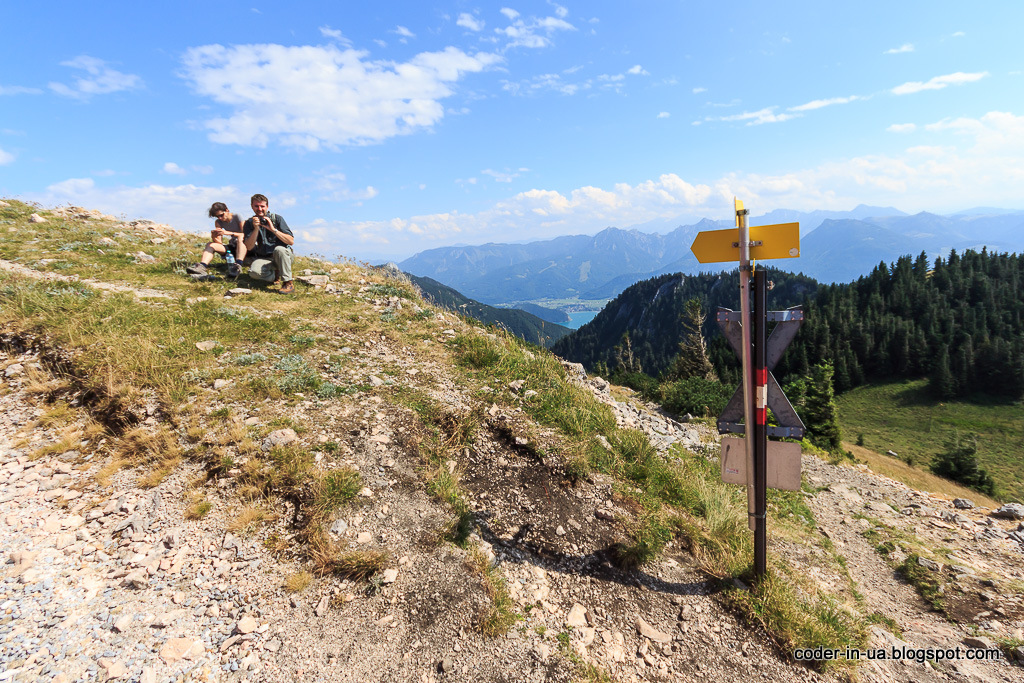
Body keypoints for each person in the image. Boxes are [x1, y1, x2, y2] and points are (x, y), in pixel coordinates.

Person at [242, 193, 295, 294]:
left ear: (267, 206)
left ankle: (288, 283)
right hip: (264, 258)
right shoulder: (249, 223)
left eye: (262, 206)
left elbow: (290, 241)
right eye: (256, 206)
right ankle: (275, 275)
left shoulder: (277, 219)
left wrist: (273, 229)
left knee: (279, 249)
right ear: (252, 207)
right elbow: (249, 247)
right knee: (254, 273)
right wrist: (256, 229)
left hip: (282, 256)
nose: (260, 209)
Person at [186, 202, 246, 277]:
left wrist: (228, 233)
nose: (220, 218)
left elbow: (245, 235)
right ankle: (202, 266)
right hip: (232, 246)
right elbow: (219, 243)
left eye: (221, 215)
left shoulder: (237, 216)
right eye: (217, 216)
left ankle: (237, 266)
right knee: (210, 245)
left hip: (244, 245)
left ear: (227, 210)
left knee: (240, 238)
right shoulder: (218, 222)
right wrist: (214, 236)